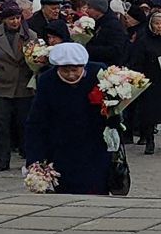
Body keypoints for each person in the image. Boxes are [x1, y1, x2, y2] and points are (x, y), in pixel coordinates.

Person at [24, 42, 118, 195]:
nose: (71, 75)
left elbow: (116, 106)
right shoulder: (47, 81)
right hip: (61, 148)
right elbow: (36, 123)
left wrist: (115, 118)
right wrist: (34, 159)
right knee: (66, 192)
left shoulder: (100, 75)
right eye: (65, 71)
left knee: (96, 190)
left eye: (75, 70)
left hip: (95, 146)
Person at [0, 2, 39, 173]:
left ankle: (28, 156)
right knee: (1, 123)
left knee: (24, 123)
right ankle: (3, 159)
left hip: (23, 85)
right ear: (4, 20)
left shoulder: (30, 34)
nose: (15, 22)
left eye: (17, 18)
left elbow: (37, 56)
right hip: (0, 84)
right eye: (11, 19)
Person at [127, 8, 161, 155]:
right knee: (149, 113)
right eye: (156, 23)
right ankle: (149, 141)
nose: (159, 26)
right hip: (151, 81)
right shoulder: (144, 41)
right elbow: (137, 60)